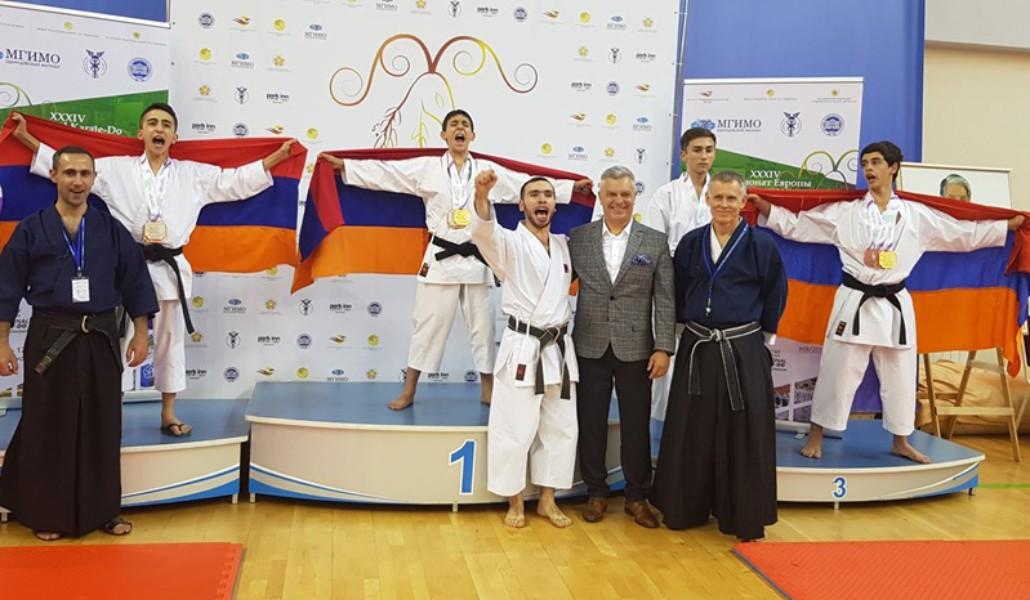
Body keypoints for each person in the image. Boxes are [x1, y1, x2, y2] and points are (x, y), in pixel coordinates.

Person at [11, 106, 294, 437]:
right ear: (141, 132)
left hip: (169, 270)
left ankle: (168, 412)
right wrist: (25, 138)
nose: (159, 129)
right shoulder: (115, 169)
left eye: (166, 125)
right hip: (123, 268)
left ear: (174, 137)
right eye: (152, 123)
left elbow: (232, 182)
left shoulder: (193, 175)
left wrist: (275, 159)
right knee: (115, 342)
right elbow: (67, 167)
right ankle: (110, 410)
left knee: (169, 343)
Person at [752, 141, 1024, 463]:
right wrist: (766, 209)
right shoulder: (846, 213)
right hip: (854, 300)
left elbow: (962, 234)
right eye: (865, 163)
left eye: (876, 162)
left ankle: (901, 440)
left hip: (895, 303)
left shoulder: (916, 216)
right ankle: (816, 435)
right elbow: (800, 226)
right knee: (837, 371)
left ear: (893, 168)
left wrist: (1004, 227)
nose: (868, 169)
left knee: (901, 376)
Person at [321, 109, 591, 410]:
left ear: (472, 135)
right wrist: (346, 166)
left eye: (465, 125)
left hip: (477, 260)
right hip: (440, 258)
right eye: (454, 125)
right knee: (426, 327)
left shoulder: (486, 170)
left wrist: (568, 188)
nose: (459, 128)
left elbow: (524, 184)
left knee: (483, 330)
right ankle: (409, 390)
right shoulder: (427, 168)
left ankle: (488, 390)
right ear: (444, 135)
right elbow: (388, 174)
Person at [0, 146, 158, 540]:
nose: (77, 181)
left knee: (103, 422)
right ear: (54, 176)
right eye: (69, 173)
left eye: (85, 174)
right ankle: (47, 513)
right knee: (48, 422)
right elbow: (7, 288)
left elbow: (135, 281)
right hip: (51, 335)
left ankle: (104, 510)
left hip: (101, 335)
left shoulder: (110, 229)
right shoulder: (31, 229)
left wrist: (141, 333)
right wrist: (2, 342)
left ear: (93, 179)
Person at [651, 170, 787, 541]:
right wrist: (678, 331)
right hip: (698, 344)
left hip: (742, 346)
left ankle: (742, 515)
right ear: (708, 200)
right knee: (691, 428)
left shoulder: (761, 246)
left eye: (731, 198)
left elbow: (775, 293)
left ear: (743, 203)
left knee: (743, 431)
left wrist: (761, 337)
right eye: (718, 197)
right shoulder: (692, 242)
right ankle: (685, 508)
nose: (724, 205)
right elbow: (678, 288)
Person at [470, 169, 578, 529]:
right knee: (514, 428)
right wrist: (481, 196)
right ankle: (514, 501)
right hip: (523, 347)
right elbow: (483, 232)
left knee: (560, 428)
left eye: (547, 195)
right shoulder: (508, 243)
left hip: (559, 349)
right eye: (533, 195)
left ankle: (547, 500)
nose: (541, 200)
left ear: (555, 205)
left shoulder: (564, 245)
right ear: (521, 205)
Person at [568, 166, 674, 527]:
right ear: (600, 196)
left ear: (635, 196)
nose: (618, 200)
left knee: (636, 425)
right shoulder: (578, 238)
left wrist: (664, 347)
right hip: (589, 345)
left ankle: (637, 496)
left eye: (625, 194)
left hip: (637, 349)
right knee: (591, 422)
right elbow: (554, 282)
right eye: (611, 194)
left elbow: (665, 298)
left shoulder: (655, 241)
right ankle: (596, 492)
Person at [641, 127, 717, 423]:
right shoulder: (666, 195)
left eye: (709, 150)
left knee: (705, 354)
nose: (703, 156)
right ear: (684, 154)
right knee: (667, 353)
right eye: (697, 150)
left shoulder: (720, 193)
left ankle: (698, 421)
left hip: (712, 285)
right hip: (673, 281)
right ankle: (661, 423)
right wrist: (664, 289)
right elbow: (654, 246)